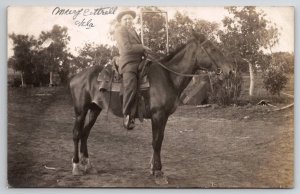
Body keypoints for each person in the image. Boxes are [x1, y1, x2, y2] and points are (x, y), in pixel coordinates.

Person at [114, 8, 151, 130]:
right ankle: (128, 115)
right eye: (125, 19)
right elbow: (126, 48)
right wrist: (142, 47)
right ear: (121, 21)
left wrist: (146, 52)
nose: (128, 21)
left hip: (139, 61)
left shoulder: (133, 31)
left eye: (130, 19)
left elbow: (139, 48)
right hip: (128, 62)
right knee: (131, 85)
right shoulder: (120, 30)